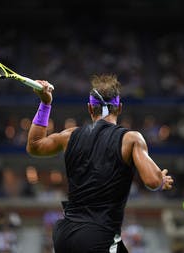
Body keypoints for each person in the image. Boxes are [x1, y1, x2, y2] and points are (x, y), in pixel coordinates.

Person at [26, 74, 174, 253]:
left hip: (65, 235)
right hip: (98, 236)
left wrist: (45, 104)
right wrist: (160, 179)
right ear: (119, 108)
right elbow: (152, 182)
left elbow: (34, 146)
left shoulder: (70, 135)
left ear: (90, 108)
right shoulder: (131, 139)